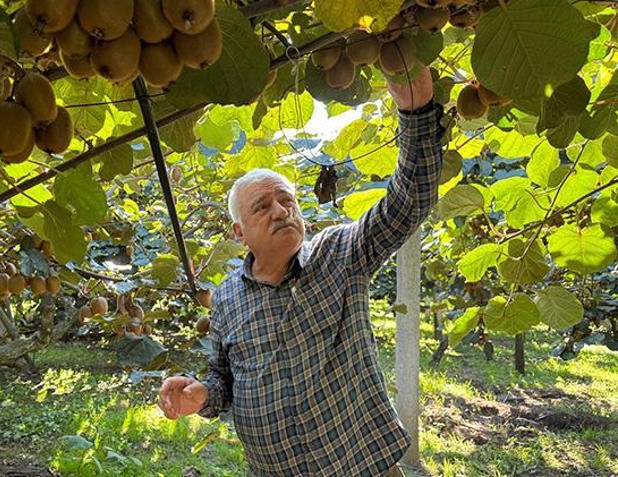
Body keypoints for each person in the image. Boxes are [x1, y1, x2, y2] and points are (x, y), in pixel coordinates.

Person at [157, 65, 443, 477]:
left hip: (359, 465)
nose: (281, 210)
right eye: (262, 206)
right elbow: (223, 380)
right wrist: (201, 396)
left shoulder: (340, 254)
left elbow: (408, 202)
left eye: (286, 200)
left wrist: (415, 115)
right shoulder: (225, 298)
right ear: (239, 232)